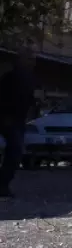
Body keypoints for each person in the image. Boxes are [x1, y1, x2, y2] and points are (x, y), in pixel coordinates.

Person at [0, 53, 36, 197]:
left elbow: (28, 100)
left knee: (14, 153)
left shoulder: (26, 79)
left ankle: (3, 184)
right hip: (9, 119)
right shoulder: (12, 79)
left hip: (16, 120)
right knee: (14, 152)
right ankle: (3, 184)